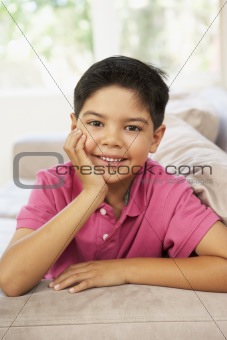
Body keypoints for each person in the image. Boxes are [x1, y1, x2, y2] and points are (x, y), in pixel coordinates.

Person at [0, 56, 227, 297]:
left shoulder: (167, 191)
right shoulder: (53, 183)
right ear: (75, 127)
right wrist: (91, 194)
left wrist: (123, 270)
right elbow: (11, 281)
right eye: (96, 123)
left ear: (155, 139)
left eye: (132, 128)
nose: (111, 141)